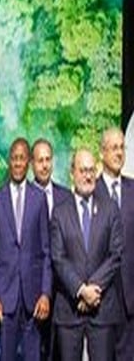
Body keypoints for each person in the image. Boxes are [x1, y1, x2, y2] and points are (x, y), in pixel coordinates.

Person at [51, 148, 122, 360]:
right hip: (69, 310)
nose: (88, 176)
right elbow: (58, 257)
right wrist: (81, 290)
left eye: (91, 170)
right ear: (72, 173)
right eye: (82, 170)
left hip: (102, 309)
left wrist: (92, 291)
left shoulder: (110, 209)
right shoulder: (60, 212)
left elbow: (115, 254)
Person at [0, 138, 51, 361]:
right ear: (9, 161)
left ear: (29, 162)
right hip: (5, 300)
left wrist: (45, 293)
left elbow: (46, 252)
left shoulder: (39, 198)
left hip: (33, 299)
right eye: (14, 158)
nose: (18, 163)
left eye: (22, 158)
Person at [94, 127, 134, 360]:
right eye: (114, 148)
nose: (119, 153)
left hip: (130, 301)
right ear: (102, 152)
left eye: (122, 148)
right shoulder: (90, 191)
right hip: (101, 302)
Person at [30, 138, 71, 361]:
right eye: (40, 161)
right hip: (33, 291)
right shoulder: (23, 197)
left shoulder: (66, 196)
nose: (45, 165)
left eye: (48, 160)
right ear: (32, 164)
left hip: (64, 292)